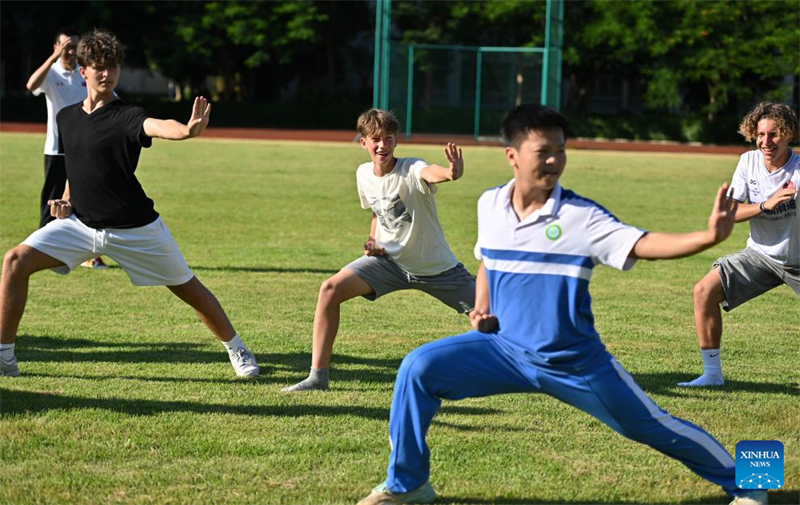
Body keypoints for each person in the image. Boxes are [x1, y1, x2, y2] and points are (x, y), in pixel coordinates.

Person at [358, 104, 766, 505]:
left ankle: (753, 482)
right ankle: (408, 484)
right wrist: (482, 307)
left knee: (652, 426)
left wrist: (708, 237)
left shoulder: (580, 216)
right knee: (418, 368)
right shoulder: (490, 204)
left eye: (561, 150)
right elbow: (487, 262)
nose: (554, 160)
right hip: (503, 350)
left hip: (571, 360)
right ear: (513, 156)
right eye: (543, 151)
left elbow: (644, 244)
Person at [0, 29, 258, 378]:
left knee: (188, 289)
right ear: (83, 71)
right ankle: (4, 357)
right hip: (80, 226)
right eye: (99, 67)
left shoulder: (127, 115)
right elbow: (76, 167)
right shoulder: (67, 118)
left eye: (113, 67)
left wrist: (186, 130)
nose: (107, 74)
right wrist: (65, 200)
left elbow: (157, 126)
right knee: (14, 260)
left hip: (135, 228)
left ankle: (237, 349)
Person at [282, 109, 475, 392]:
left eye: (389, 138)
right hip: (390, 263)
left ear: (396, 141)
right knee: (330, 289)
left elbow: (429, 172)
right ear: (364, 142)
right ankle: (317, 378)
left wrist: (450, 172)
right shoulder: (363, 173)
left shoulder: (411, 168)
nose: (383, 145)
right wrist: (373, 240)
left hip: (436, 267)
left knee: (489, 316)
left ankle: (520, 366)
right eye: (376, 139)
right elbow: (378, 210)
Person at [678, 102, 799, 387]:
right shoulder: (748, 162)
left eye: (774, 134)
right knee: (704, 290)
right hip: (760, 256)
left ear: (789, 134)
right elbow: (728, 212)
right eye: (760, 134)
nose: (766, 142)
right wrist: (765, 204)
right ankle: (712, 375)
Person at [26, 27, 108, 269]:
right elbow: (31, 85)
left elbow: (107, 97)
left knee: (84, 196)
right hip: (56, 148)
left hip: (84, 147)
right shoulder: (52, 73)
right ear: (57, 47)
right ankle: (40, 248)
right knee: (52, 199)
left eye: (75, 47)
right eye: (66, 47)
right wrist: (53, 57)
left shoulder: (85, 73)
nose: (71, 51)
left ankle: (87, 253)